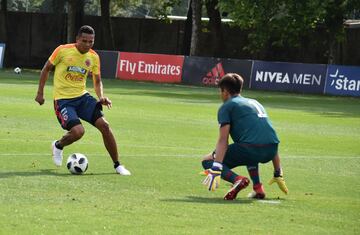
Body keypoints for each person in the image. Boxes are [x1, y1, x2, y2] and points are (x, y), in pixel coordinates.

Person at [35, 25, 131, 175]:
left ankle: (117, 165)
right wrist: (40, 93)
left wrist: (101, 97)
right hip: (63, 100)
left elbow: (97, 81)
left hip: (82, 97)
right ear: (77, 39)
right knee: (78, 132)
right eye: (84, 41)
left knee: (105, 126)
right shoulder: (62, 50)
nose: (87, 44)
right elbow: (46, 69)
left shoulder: (93, 57)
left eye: (91, 42)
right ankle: (58, 145)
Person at [202, 73, 287, 200]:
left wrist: (216, 167)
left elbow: (223, 140)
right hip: (272, 151)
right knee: (250, 149)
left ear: (225, 91)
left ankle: (237, 180)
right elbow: (269, 135)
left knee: (207, 160)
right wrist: (277, 172)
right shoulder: (255, 102)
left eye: (220, 91)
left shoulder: (227, 106)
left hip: (251, 149)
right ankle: (258, 188)